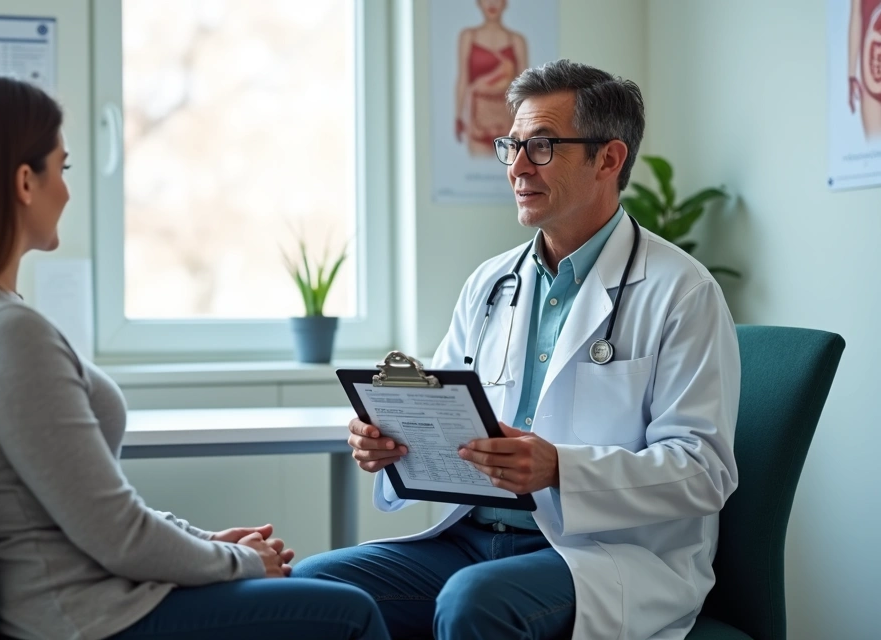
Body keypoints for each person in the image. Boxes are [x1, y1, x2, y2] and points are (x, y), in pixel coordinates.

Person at [0, 71, 390, 640]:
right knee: (349, 612)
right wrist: (242, 564)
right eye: (63, 167)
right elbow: (117, 535)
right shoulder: (3, 334)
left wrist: (205, 544)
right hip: (84, 618)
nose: (68, 190)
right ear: (24, 182)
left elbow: (89, 510)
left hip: (61, 600)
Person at [297, 59, 740, 640]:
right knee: (315, 589)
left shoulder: (681, 291)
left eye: (543, 146)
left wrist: (560, 468)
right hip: (468, 538)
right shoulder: (490, 283)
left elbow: (703, 472)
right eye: (513, 146)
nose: (518, 168)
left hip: (602, 556)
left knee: (473, 602)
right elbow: (445, 416)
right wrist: (391, 443)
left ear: (608, 158)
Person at [454, 0, 528, 156]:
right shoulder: (468, 36)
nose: (492, 3)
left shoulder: (517, 40)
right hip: (477, 120)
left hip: (507, 121)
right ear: (479, 2)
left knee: (511, 172)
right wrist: (459, 117)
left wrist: (527, 122)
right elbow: (463, 79)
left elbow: (525, 87)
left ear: (505, 3)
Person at [849, 0, 881, 139]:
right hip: (871, 76)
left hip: (871, 72)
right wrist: (851, 75)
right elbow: (856, 15)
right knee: (874, 153)